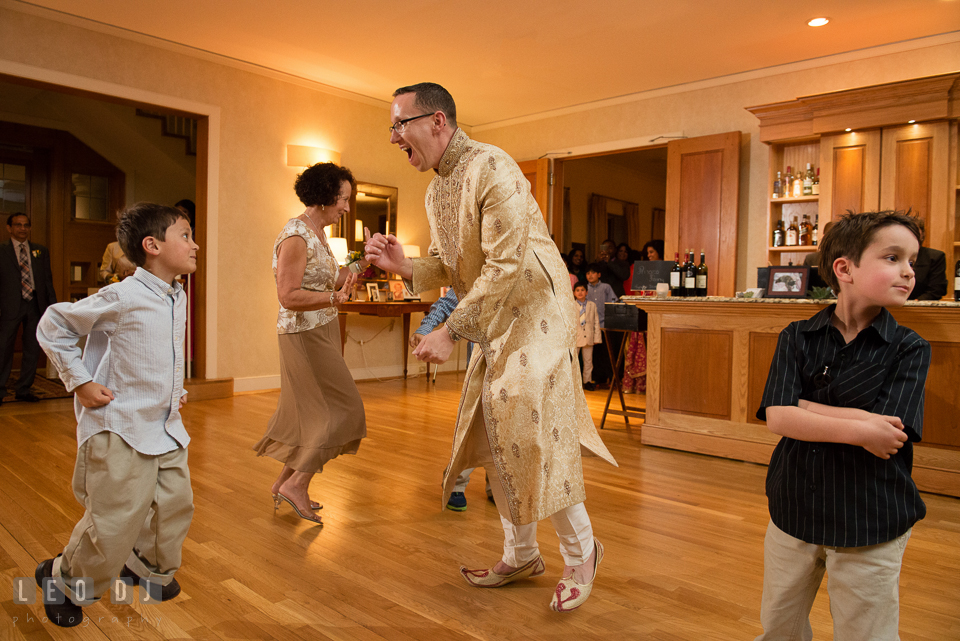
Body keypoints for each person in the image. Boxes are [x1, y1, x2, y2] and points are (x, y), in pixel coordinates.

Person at [366, 82, 617, 612]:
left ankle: (581, 554)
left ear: (436, 121)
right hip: (497, 315)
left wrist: (450, 331)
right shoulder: (437, 190)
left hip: (537, 312)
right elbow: (452, 266)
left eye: (399, 124)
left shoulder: (494, 166)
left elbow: (504, 265)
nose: (393, 137)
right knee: (490, 428)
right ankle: (521, 553)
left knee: (528, 420)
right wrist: (406, 266)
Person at [755, 210, 931, 640]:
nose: (908, 272)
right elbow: (778, 417)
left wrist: (805, 410)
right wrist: (860, 424)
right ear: (844, 268)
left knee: (865, 631)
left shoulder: (910, 347)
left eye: (912, 261)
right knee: (780, 624)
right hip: (794, 506)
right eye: (893, 257)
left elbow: (890, 436)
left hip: (870, 517)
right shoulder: (796, 335)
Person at [34, 203, 199, 627]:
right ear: (153, 245)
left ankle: (146, 568)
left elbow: (153, 354)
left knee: (173, 507)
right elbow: (54, 325)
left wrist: (172, 390)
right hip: (121, 427)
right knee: (114, 521)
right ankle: (63, 579)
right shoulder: (123, 295)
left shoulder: (175, 294)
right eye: (185, 235)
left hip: (164, 426)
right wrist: (81, 381)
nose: (195, 244)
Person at [253, 162, 367, 526]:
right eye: (344, 199)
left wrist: (369, 259)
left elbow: (336, 279)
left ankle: (284, 483)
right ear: (324, 196)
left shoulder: (317, 235)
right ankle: (298, 483)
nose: (347, 208)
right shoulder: (296, 235)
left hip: (322, 329)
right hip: (304, 334)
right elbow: (287, 295)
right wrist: (333, 301)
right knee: (346, 410)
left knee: (311, 415)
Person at [411, 288, 492, 511]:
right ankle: (456, 482)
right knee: (476, 422)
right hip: (482, 360)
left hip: (518, 360)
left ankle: (496, 485)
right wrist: (427, 327)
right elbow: (449, 302)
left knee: (505, 425)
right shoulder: (480, 264)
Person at [1, 212, 57, 405]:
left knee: (33, 348)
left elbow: (47, 281)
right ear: (9, 228)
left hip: (35, 305)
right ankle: (0, 389)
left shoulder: (40, 251)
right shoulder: (2, 250)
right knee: (4, 348)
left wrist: (52, 308)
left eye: (26, 225)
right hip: (9, 306)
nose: (22, 229)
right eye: (18, 225)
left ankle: (24, 388)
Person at [585, 263, 618, 387]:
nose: (590, 275)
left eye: (593, 273)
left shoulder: (606, 287)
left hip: (604, 325)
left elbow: (613, 302)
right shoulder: (584, 288)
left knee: (607, 353)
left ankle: (611, 379)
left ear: (599, 274)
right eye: (588, 273)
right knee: (594, 355)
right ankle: (598, 380)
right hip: (589, 327)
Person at [572, 282, 600, 391]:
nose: (580, 292)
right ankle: (574, 382)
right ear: (574, 293)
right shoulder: (571, 305)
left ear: (587, 292)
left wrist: (597, 337)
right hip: (576, 337)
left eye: (582, 290)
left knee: (588, 361)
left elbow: (596, 322)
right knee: (574, 361)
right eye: (577, 290)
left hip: (588, 336)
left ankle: (587, 381)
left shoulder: (592, 305)